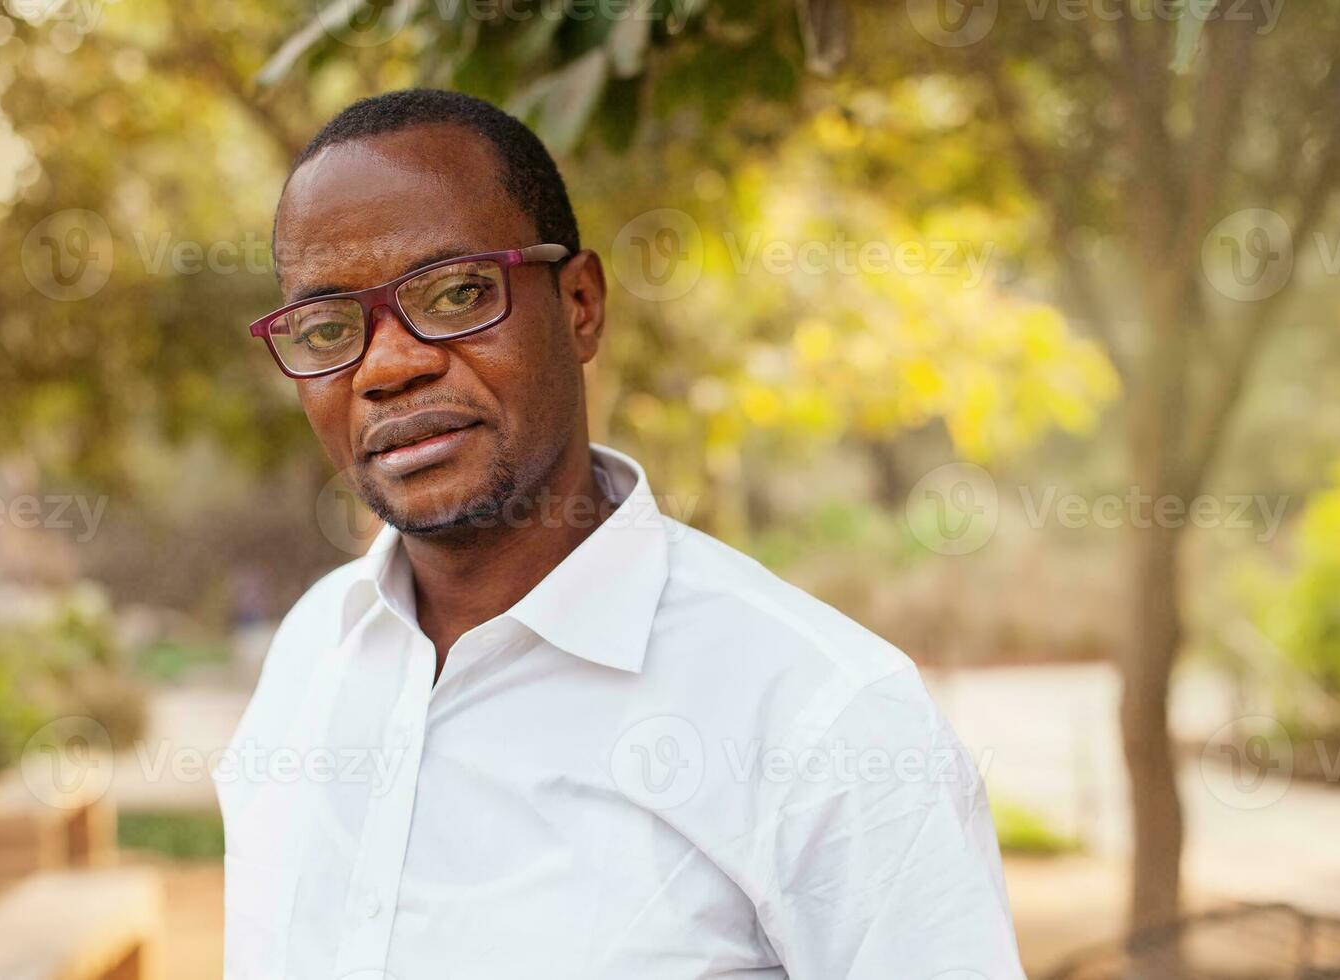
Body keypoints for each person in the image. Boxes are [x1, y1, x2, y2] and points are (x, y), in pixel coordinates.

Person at [216, 88, 1023, 980]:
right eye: (327, 326)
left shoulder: (824, 718)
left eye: (455, 293)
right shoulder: (311, 656)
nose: (389, 364)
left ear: (580, 305)